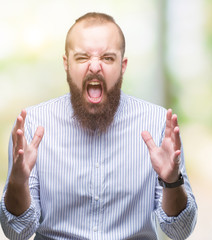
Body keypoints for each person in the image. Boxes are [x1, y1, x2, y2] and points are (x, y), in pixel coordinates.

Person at [0, 12, 197, 240]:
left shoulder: (157, 124)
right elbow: (16, 231)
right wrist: (17, 182)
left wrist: (172, 182)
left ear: (123, 66)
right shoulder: (34, 125)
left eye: (107, 58)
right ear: (66, 64)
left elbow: (180, 230)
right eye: (82, 58)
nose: (94, 67)